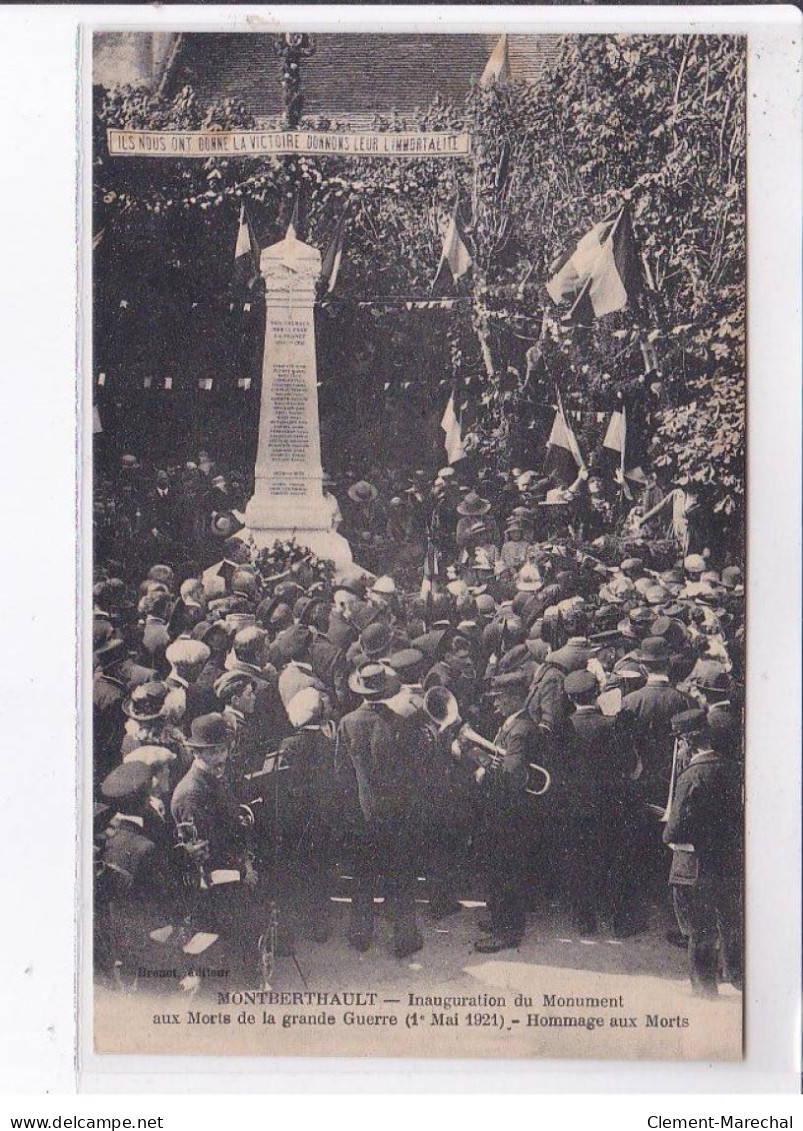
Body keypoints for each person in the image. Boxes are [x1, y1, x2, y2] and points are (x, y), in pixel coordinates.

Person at [337, 663, 424, 958]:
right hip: (397, 814)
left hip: (364, 813)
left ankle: (360, 934)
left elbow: (342, 772)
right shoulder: (401, 722)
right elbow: (414, 772)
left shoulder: (347, 722)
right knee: (400, 877)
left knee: (363, 876)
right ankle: (405, 939)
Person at [663, 709, 742, 997]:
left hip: (694, 866)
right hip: (729, 860)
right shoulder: (733, 768)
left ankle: (705, 989)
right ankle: (737, 976)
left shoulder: (691, 776)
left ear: (686, 742)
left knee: (701, 931)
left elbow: (673, 832)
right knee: (730, 921)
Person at [471, 669, 544, 953]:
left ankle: (507, 931)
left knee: (503, 871)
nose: (495, 704)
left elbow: (511, 773)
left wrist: (480, 765)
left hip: (509, 813)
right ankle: (501, 919)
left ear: (515, 697)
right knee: (501, 869)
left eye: (500, 698)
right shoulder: (513, 723)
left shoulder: (521, 730)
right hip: (506, 810)